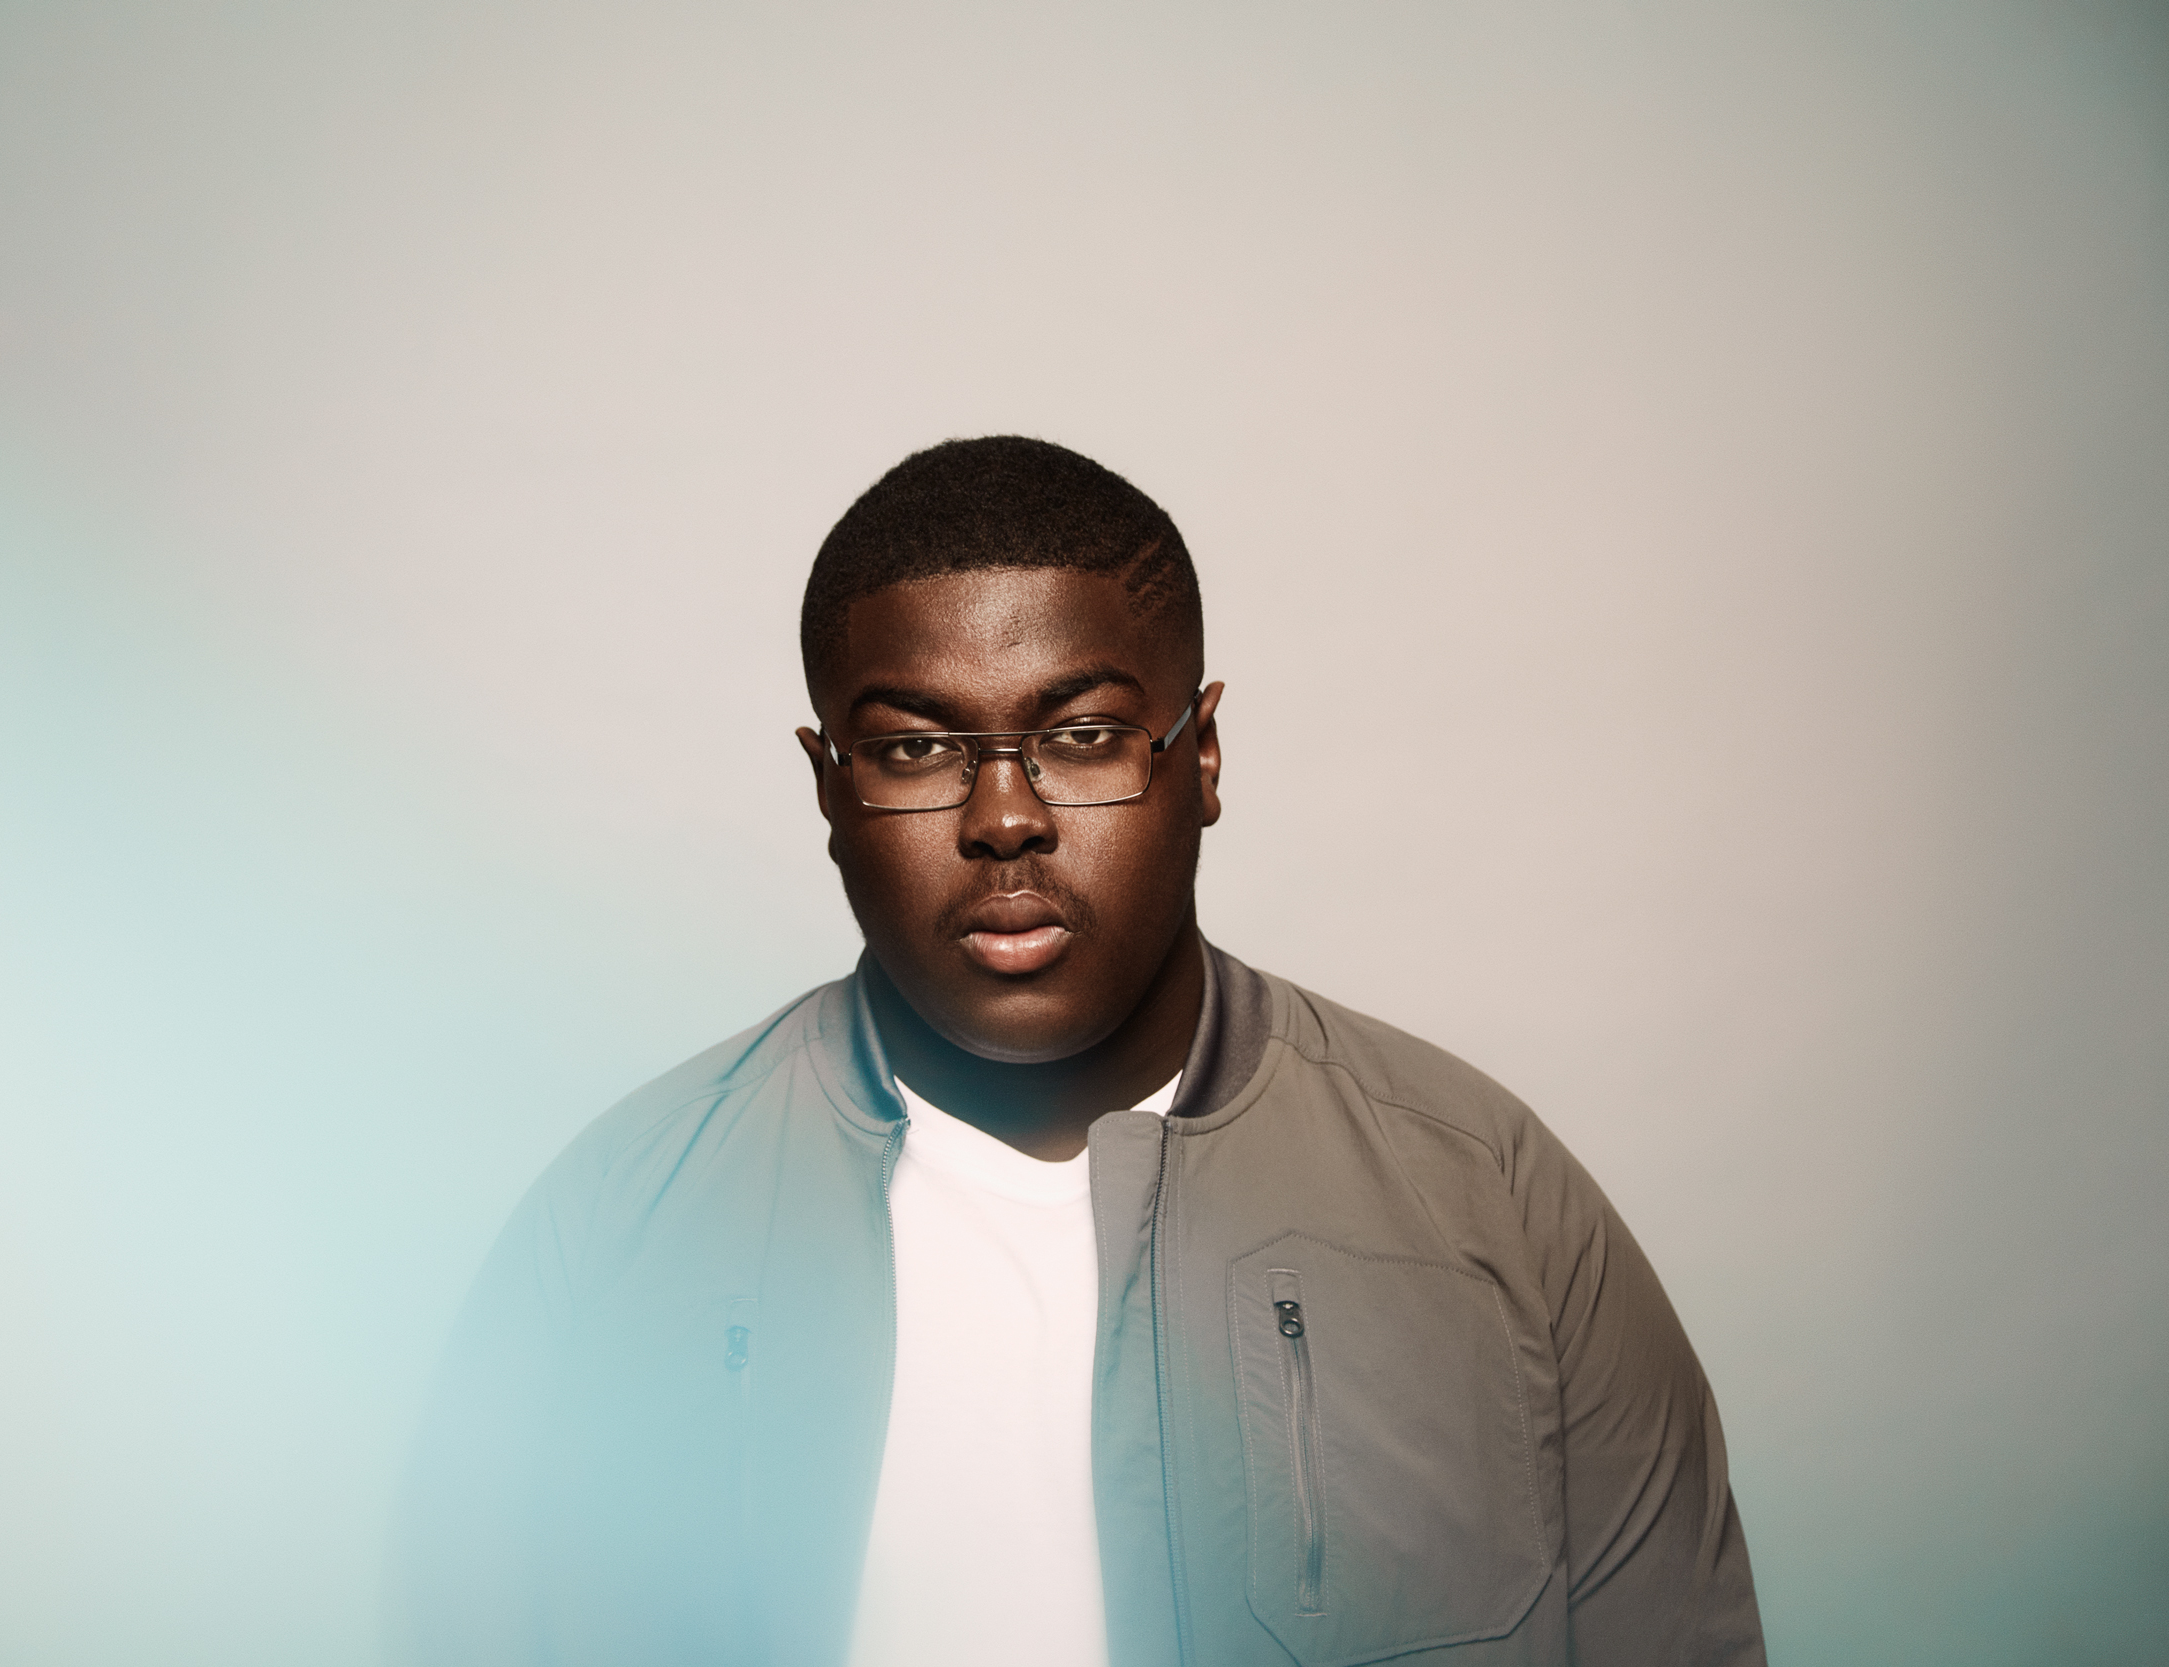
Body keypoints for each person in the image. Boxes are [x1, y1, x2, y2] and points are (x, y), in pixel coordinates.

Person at [389, 436, 1767, 1667]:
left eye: (1086, 735)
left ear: (1202, 756)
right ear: (830, 790)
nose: (1004, 819)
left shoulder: (1493, 1206)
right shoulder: (615, 1226)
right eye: (916, 749)